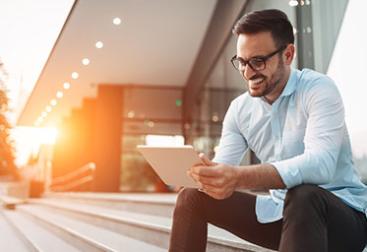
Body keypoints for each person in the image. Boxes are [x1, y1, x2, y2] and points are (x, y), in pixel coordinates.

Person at [169, 9, 367, 252]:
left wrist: (239, 176)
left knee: (303, 194)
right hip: (280, 216)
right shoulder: (240, 109)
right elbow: (224, 168)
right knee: (191, 198)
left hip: (342, 220)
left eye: (258, 61)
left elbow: (320, 165)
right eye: (241, 62)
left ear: (288, 54)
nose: (248, 72)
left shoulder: (318, 89)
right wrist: (207, 177)